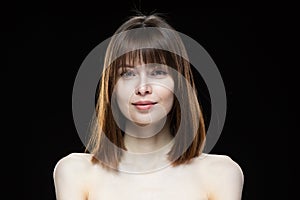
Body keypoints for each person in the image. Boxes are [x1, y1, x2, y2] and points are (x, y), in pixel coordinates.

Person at [53, 13, 244, 200]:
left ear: (179, 84)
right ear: (112, 87)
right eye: (127, 74)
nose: (143, 88)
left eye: (158, 72)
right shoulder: (76, 172)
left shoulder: (220, 174)